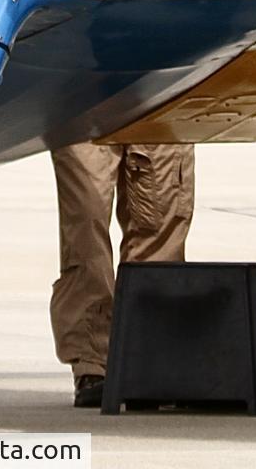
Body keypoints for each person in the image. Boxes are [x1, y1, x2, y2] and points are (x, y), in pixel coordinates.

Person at [51, 142, 195, 406]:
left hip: (155, 104)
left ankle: (152, 357)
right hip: (82, 107)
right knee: (86, 219)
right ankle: (92, 361)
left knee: (159, 219)